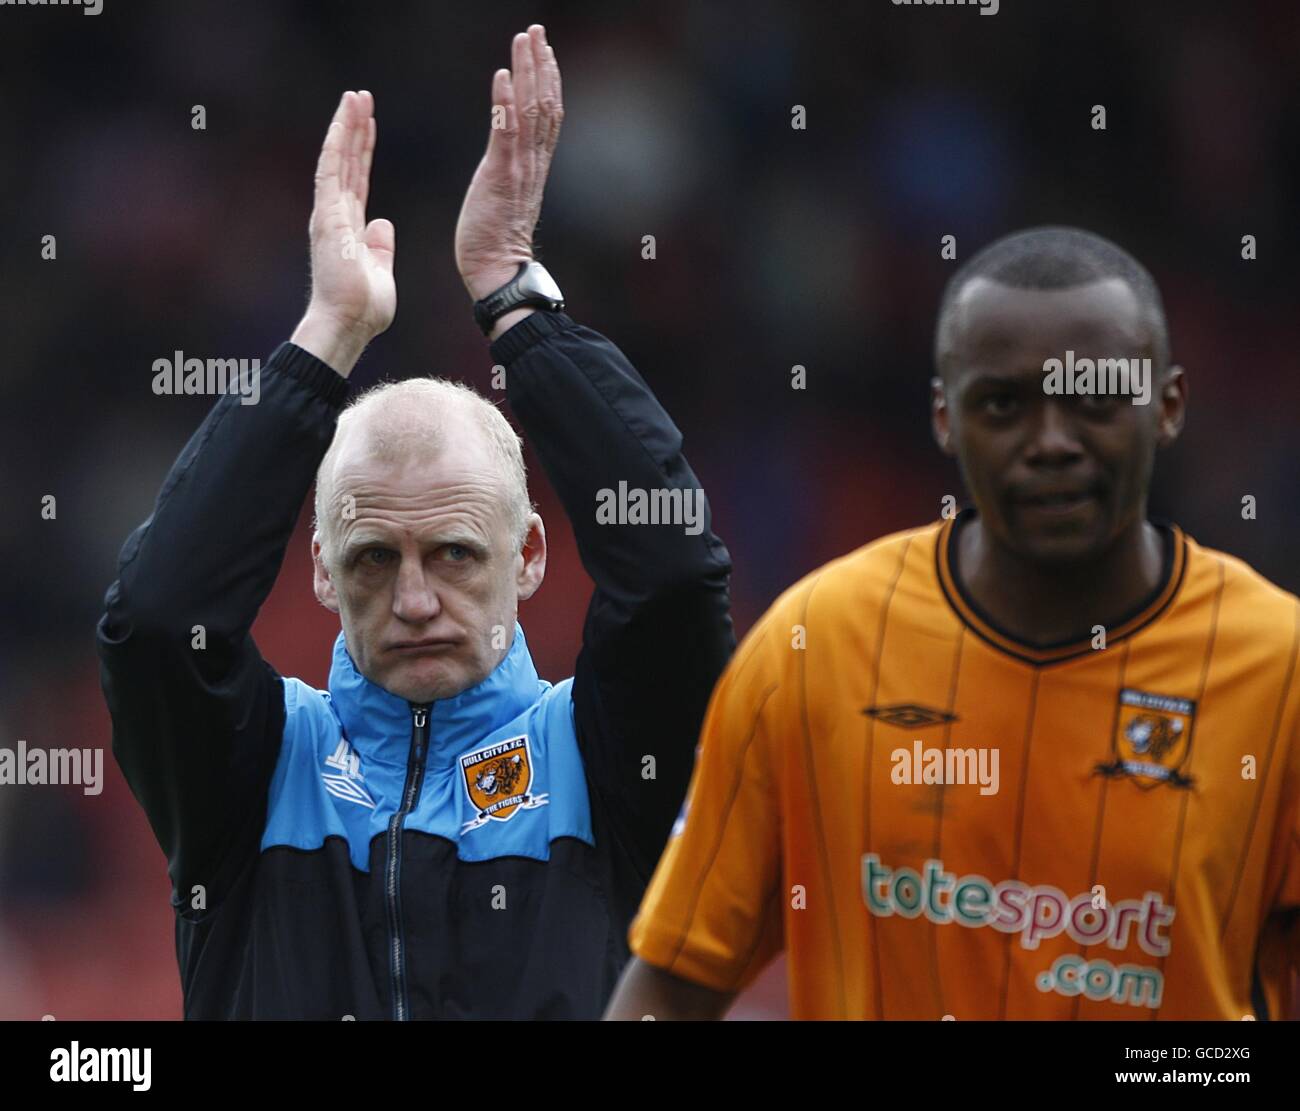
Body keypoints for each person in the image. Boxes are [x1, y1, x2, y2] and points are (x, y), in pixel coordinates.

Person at [97, 25, 733, 1020]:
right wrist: (325, 337)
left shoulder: (602, 756)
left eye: (454, 552)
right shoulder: (256, 771)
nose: (416, 599)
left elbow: (674, 577)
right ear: (316, 570)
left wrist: (515, 297)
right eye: (371, 560)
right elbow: (153, 616)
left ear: (528, 555)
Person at [605, 226, 1300, 1020]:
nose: (1051, 444)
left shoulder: (1279, 668)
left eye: (1096, 400)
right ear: (943, 415)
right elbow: (674, 979)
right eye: (1004, 403)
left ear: (1168, 406)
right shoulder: (816, 644)